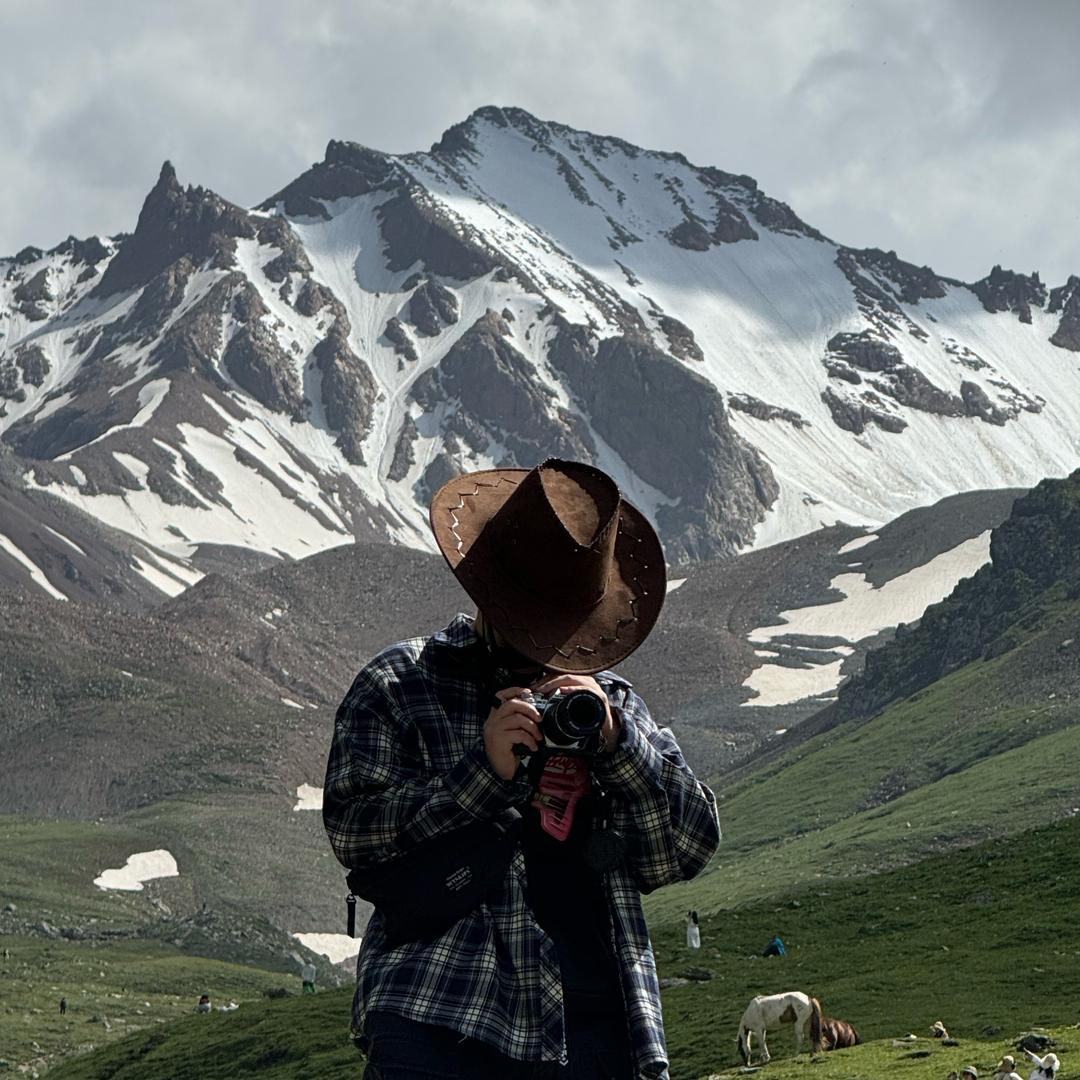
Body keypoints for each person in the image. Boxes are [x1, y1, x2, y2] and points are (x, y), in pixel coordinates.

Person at [324, 459, 721, 1080]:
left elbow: (687, 848)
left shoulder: (605, 705)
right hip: (440, 1015)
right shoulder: (401, 683)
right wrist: (480, 774)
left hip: (598, 1026)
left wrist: (619, 748)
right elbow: (356, 834)